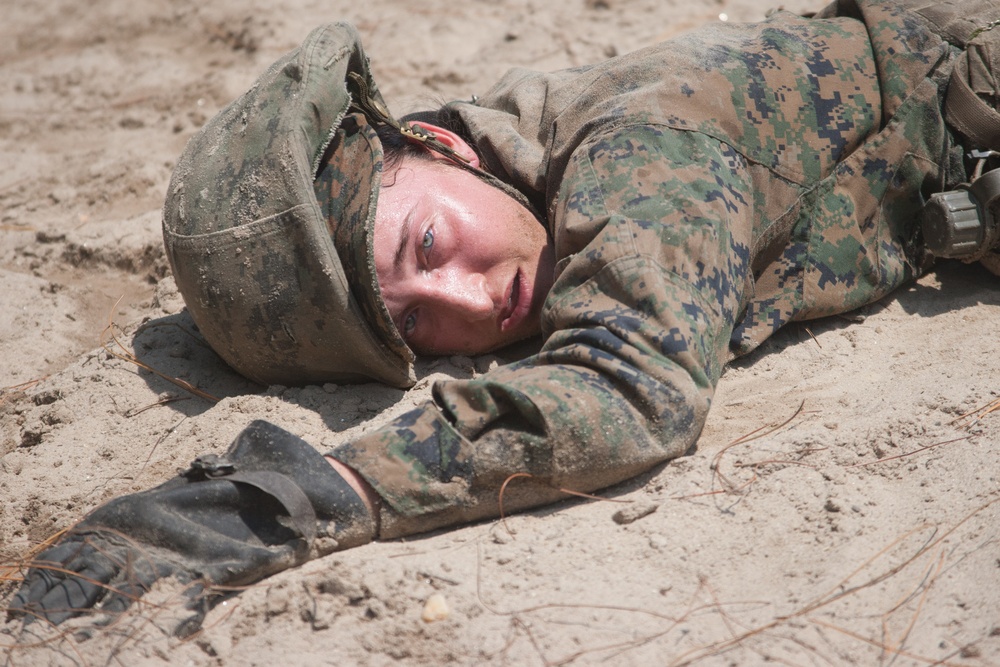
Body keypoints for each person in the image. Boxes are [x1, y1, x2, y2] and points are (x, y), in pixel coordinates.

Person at [8, 0, 1000, 635]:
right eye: (416, 329)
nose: (476, 303)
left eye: (428, 248)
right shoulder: (516, 159)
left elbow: (632, 388)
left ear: (436, 141)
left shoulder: (637, 143)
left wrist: (311, 487)